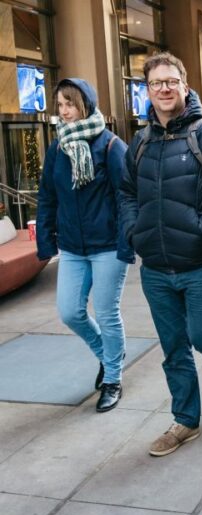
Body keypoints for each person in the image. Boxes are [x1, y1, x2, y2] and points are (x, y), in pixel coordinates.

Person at [118, 52, 202, 457]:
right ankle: (185, 421)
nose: (163, 88)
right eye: (155, 82)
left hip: (201, 264)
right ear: (147, 90)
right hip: (156, 267)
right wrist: (133, 231)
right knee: (174, 347)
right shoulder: (139, 143)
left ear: (185, 86)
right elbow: (126, 193)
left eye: (170, 81)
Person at [36, 78, 132, 413]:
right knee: (70, 312)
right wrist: (45, 239)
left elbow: (127, 198)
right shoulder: (57, 148)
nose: (65, 112)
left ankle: (113, 379)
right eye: (60, 105)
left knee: (106, 313)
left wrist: (126, 242)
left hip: (107, 246)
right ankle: (108, 355)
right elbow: (47, 196)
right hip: (74, 248)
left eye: (70, 104)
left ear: (86, 105)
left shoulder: (110, 146)